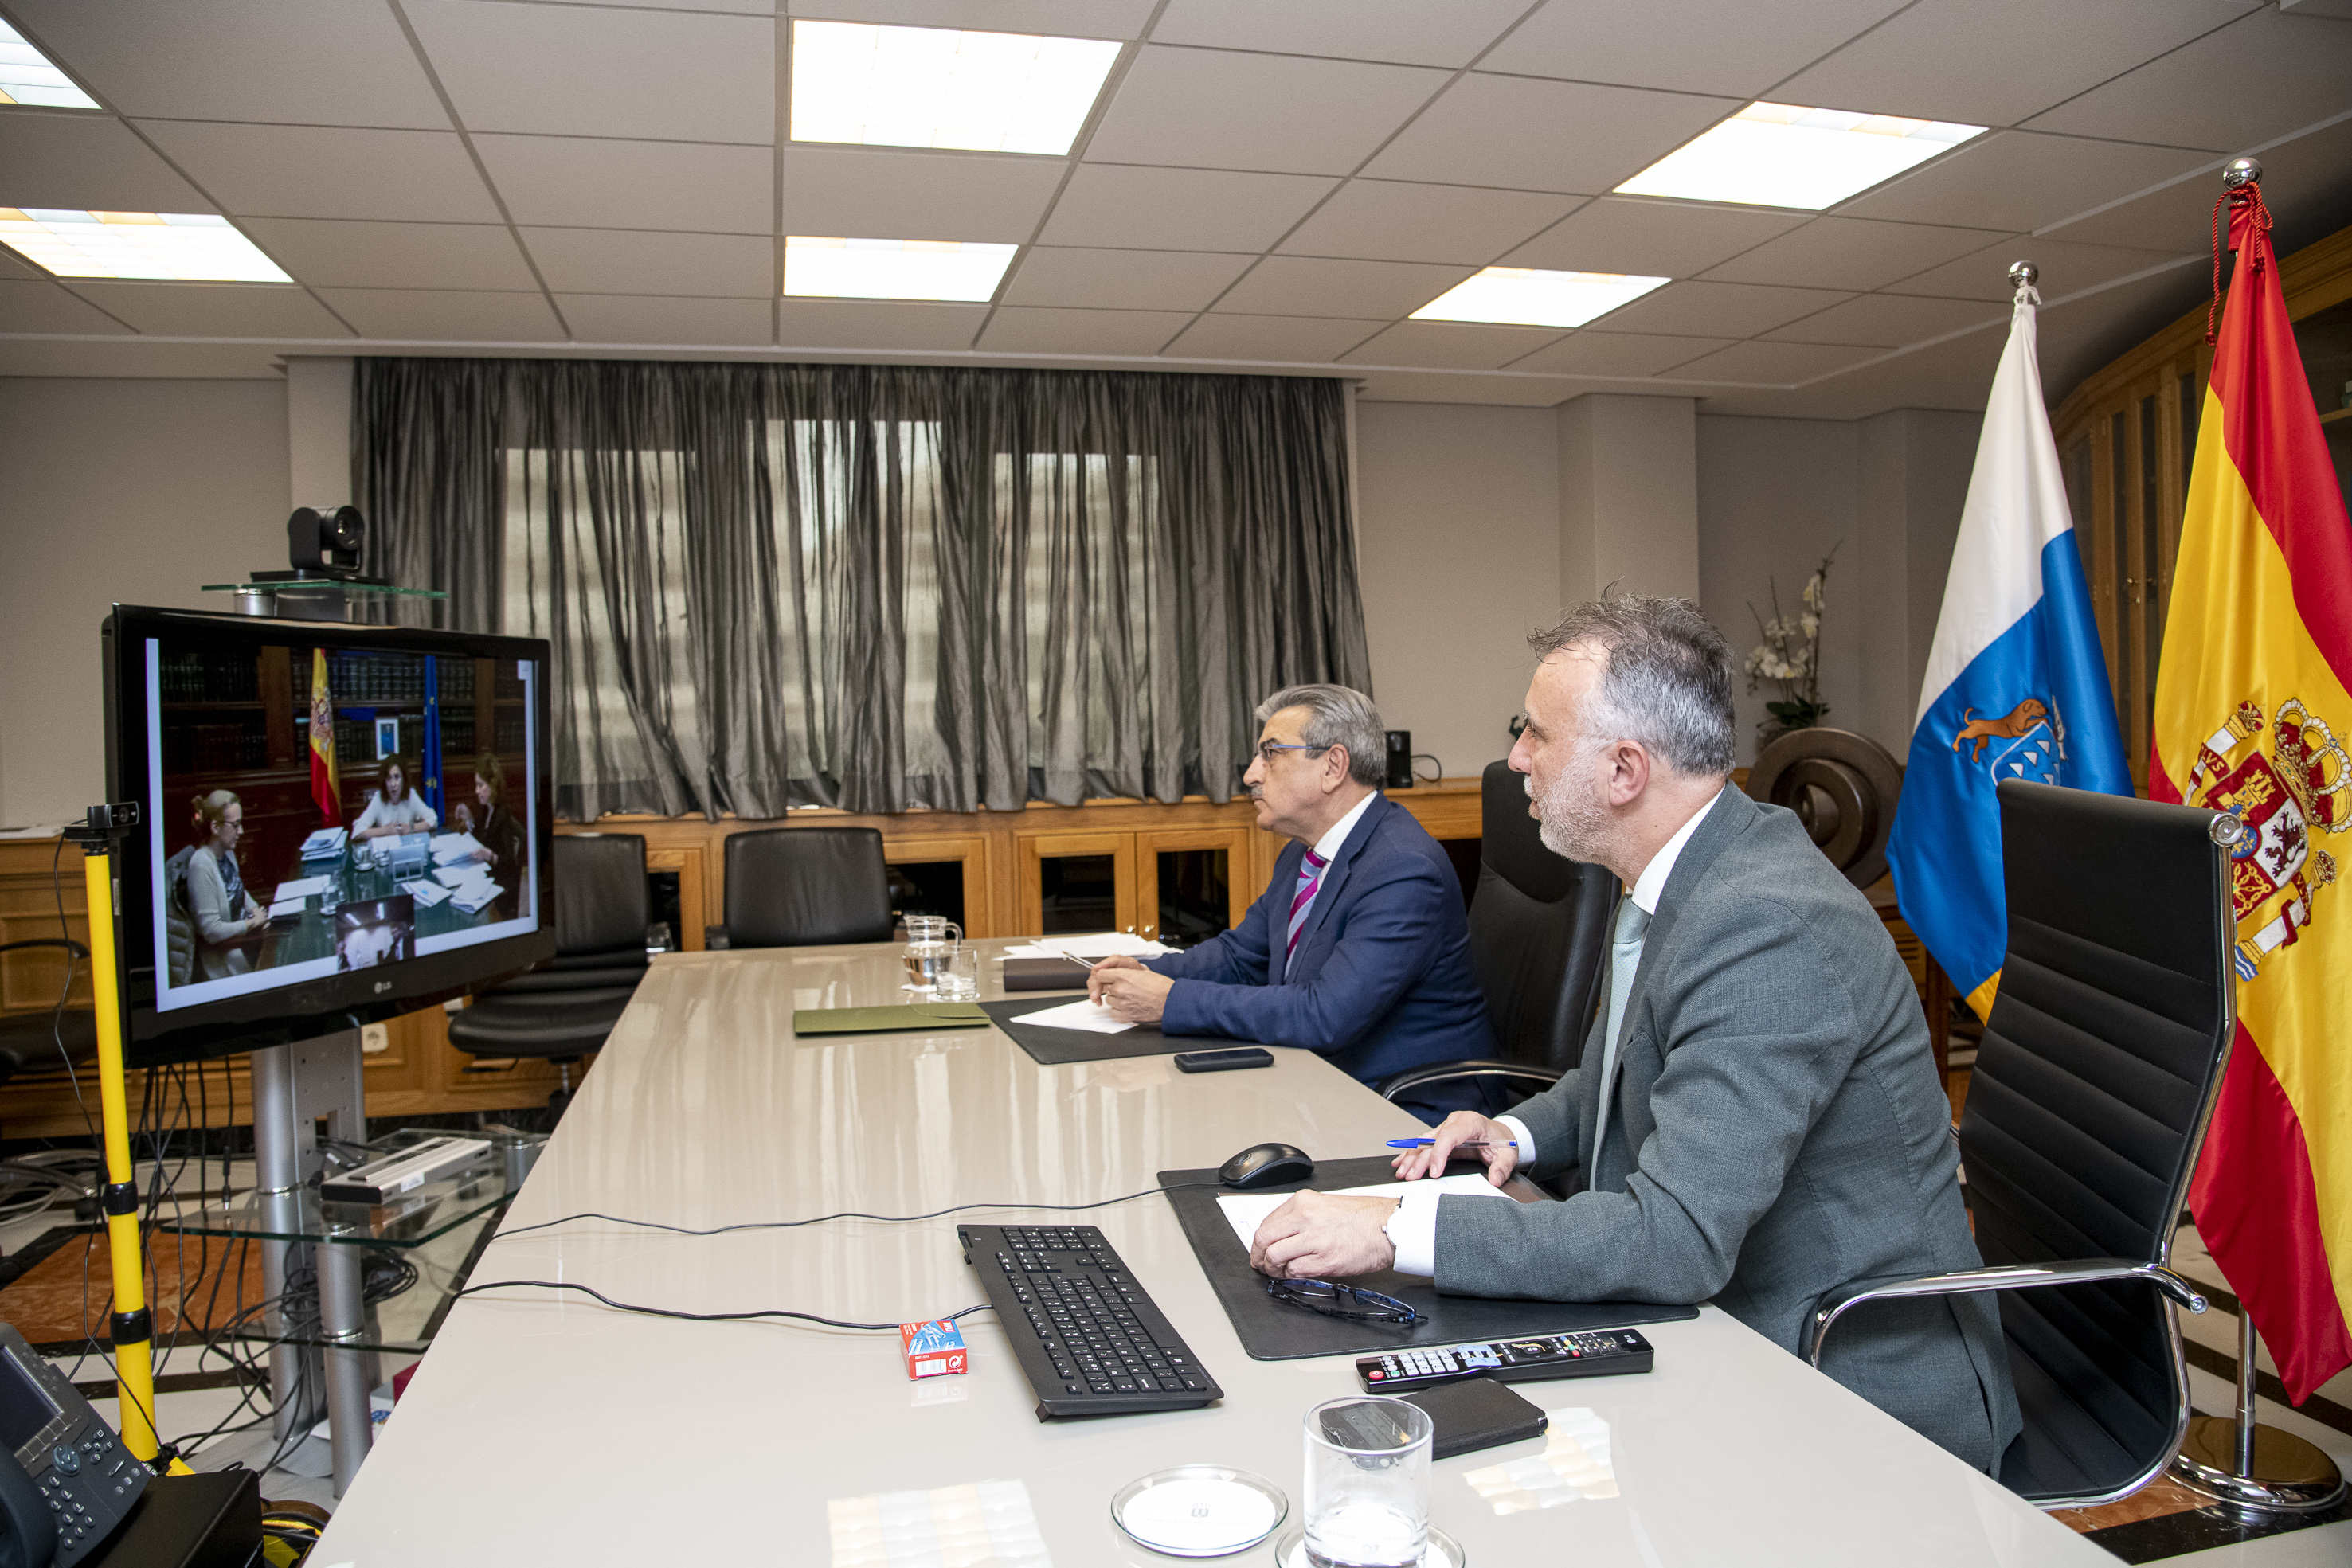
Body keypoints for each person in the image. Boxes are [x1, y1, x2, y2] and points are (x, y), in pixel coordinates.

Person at [1243, 597, 2021, 1474]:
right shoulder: (1684, 869)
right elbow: (1622, 1066)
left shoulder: (1765, 926)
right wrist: (1516, 1130)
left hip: (1841, 1379)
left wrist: (1394, 1228)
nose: (1515, 759)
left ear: (1623, 770)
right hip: (1722, 1323)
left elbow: (1674, 1238)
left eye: (1535, 734)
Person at [1087, 683, 1494, 1120]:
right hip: (1321, 1085)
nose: (1251, 774)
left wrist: (1171, 1000)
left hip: (1411, 1112)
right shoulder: (1303, 852)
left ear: (1333, 766)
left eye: (1271, 753)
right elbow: (1241, 956)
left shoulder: (1403, 869)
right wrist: (1146, 971)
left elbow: (1325, 1016)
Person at [184, 789, 266, 980]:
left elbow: (238, 889)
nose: (241, 831)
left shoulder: (228, 853)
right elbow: (212, 930)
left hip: (244, 942)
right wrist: (252, 922)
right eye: (235, 825)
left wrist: (255, 909)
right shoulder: (200, 865)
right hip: (226, 961)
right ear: (215, 828)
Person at [467, 753, 525, 917]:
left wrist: (491, 855)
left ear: (492, 784)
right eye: (476, 785)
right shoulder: (485, 809)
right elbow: (479, 839)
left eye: (481, 785)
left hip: (498, 883)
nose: (476, 791)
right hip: (484, 875)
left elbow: (510, 862)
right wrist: (469, 820)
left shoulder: (503, 815)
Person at [350, 756, 438, 841]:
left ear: (404, 779)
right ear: (384, 782)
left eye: (397, 777)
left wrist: (410, 828)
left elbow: (433, 820)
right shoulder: (378, 798)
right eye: (389, 779)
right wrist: (385, 830)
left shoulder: (411, 795)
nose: (393, 784)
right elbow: (358, 831)